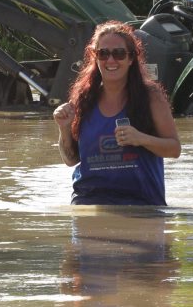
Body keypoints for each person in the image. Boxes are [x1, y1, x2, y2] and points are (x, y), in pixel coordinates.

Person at [53, 21, 181, 205]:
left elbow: (174, 149)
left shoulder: (151, 97)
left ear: (131, 59)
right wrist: (64, 128)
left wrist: (141, 139)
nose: (111, 60)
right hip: (89, 203)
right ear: (94, 57)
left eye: (119, 53)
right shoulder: (83, 98)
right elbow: (71, 160)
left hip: (141, 204)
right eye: (103, 53)